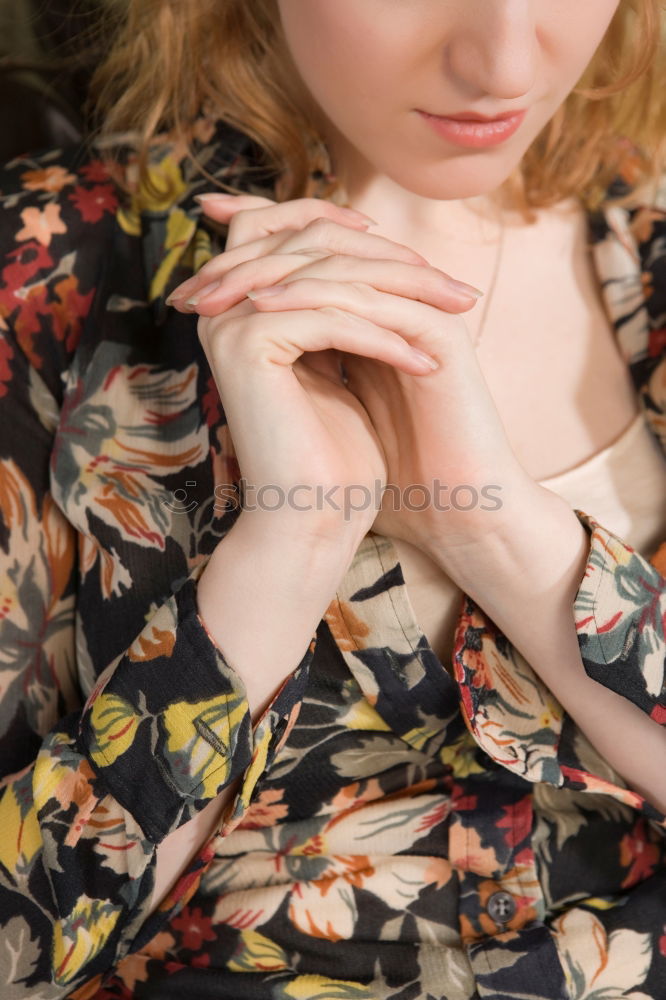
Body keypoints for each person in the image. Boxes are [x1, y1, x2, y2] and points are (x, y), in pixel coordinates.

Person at [1, 0, 665, 996]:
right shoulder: (46, 272)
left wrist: (504, 538)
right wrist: (289, 549)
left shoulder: (649, 232)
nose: (503, 63)